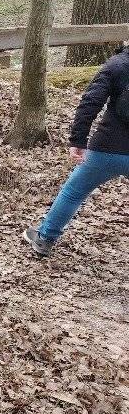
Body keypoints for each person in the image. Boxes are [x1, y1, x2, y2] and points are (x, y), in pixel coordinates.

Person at [24, 44, 129, 257]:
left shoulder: (116, 65)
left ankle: (45, 238)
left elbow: (90, 103)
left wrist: (78, 141)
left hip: (106, 149)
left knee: (73, 193)